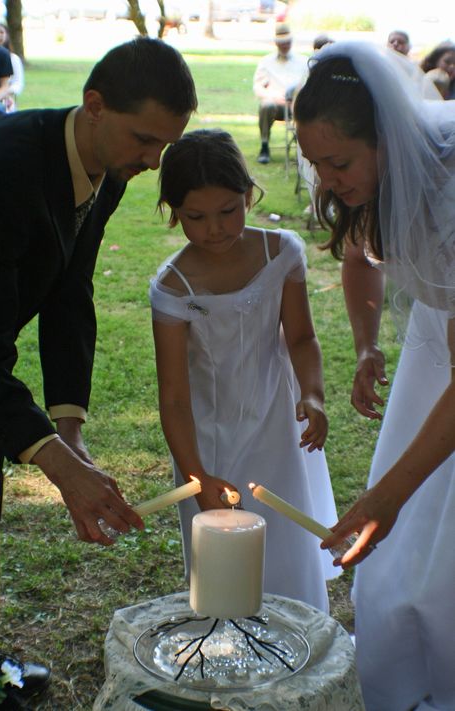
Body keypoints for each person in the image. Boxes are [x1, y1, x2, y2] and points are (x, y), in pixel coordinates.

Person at [0, 36, 196, 709]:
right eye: (145, 139)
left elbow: (70, 294)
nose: (153, 160)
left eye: (165, 144)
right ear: (95, 105)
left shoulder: (104, 170)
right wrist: (56, 463)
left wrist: (68, 429)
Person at [294, 41, 455, 711]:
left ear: (386, 139)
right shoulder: (369, 179)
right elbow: (361, 256)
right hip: (434, 348)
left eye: (339, 162)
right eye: (315, 163)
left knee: (436, 561)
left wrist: (385, 498)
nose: (327, 180)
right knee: (394, 564)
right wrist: (365, 347)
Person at [150, 128, 339, 612]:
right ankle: (225, 645)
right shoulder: (173, 287)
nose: (215, 228)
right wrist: (195, 473)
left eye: (228, 210)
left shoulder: (281, 253)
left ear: (249, 194)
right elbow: (172, 396)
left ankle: (298, 627)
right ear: (173, 211)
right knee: (222, 555)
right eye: (196, 217)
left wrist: (312, 395)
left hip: (277, 422)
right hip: (209, 439)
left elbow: (300, 338)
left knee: (285, 535)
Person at [253, 22, 308, 164]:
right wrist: (272, 96)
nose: (285, 46)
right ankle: (264, 145)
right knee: (266, 105)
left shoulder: (303, 61)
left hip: (297, 104)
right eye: (282, 43)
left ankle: (304, 149)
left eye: (288, 43)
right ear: (276, 43)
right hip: (276, 103)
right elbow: (258, 87)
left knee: (306, 109)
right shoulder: (266, 62)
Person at [0, 21, 24, 111]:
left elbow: (18, 83)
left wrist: (4, 92)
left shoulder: (13, 58)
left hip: (6, 99)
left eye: (2, 32)